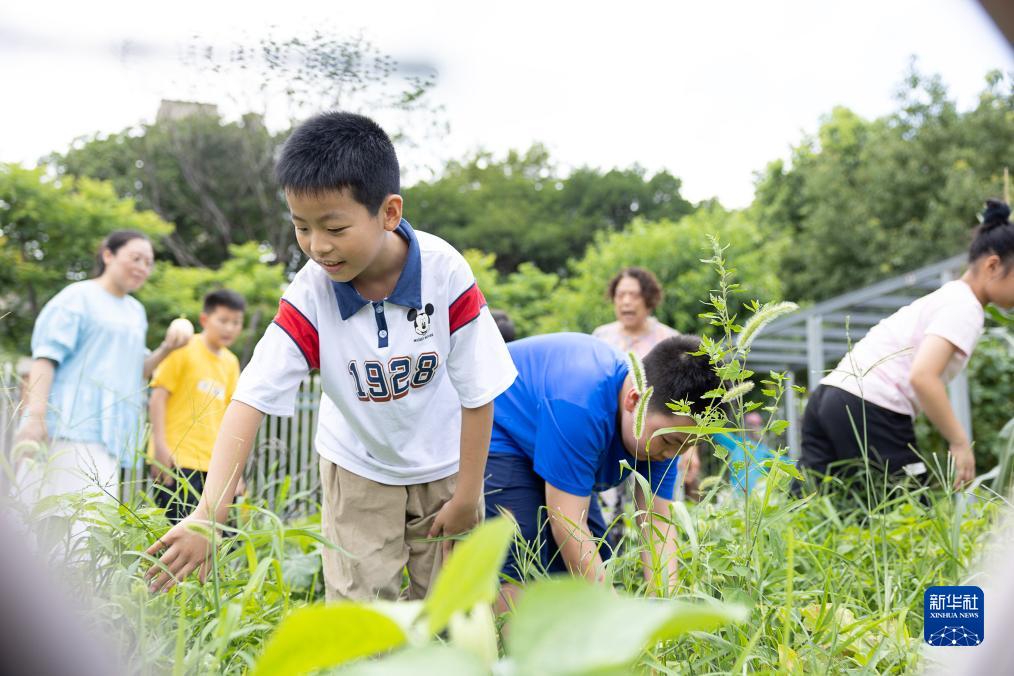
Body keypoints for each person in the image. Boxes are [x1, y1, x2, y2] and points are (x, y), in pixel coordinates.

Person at [145, 112, 517, 600]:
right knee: (360, 610)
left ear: (388, 213)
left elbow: (478, 390)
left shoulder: (444, 273)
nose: (318, 247)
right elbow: (251, 398)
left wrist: (469, 495)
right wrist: (210, 512)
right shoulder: (311, 294)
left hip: (446, 465)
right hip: (356, 466)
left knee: (453, 607)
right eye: (302, 228)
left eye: (334, 227)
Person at [484, 333, 719, 607]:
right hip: (499, 427)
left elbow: (657, 524)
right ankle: (513, 646)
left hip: (552, 440)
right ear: (634, 401)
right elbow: (566, 521)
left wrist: (667, 609)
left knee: (598, 553)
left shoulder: (666, 431)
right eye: (669, 442)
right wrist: (615, 615)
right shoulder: (581, 401)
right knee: (520, 549)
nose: (670, 455)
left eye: (682, 447)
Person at [801, 200, 1014, 490]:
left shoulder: (948, 296)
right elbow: (923, 376)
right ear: (993, 265)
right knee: (911, 515)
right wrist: (960, 442)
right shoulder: (966, 307)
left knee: (819, 505)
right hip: (871, 405)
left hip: (830, 396)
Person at [15, 230, 190, 511]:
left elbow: (137, 371)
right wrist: (36, 416)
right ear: (108, 255)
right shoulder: (76, 297)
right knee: (50, 526)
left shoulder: (136, 311)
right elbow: (45, 358)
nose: (143, 267)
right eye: (136, 258)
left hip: (109, 436)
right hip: (66, 428)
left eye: (149, 262)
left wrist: (167, 349)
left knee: (91, 531)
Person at [592, 267, 699, 517]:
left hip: (658, 441)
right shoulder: (601, 336)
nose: (626, 302)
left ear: (649, 299)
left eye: (634, 295)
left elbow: (690, 403)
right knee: (607, 512)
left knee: (656, 510)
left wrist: (691, 449)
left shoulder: (669, 338)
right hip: (610, 440)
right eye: (620, 295)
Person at [148, 289, 246, 523]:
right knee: (171, 534)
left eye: (236, 322)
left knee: (216, 540)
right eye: (223, 320)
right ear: (205, 319)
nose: (229, 328)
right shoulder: (183, 348)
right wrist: (159, 448)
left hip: (215, 467)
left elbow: (231, 418)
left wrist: (236, 472)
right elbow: (158, 397)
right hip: (176, 461)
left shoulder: (231, 362)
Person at [713, 411, 775, 494]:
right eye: (751, 424)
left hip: (760, 497)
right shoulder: (737, 444)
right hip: (738, 497)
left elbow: (786, 462)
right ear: (745, 426)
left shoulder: (765, 451)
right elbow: (715, 432)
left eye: (758, 424)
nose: (755, 428)